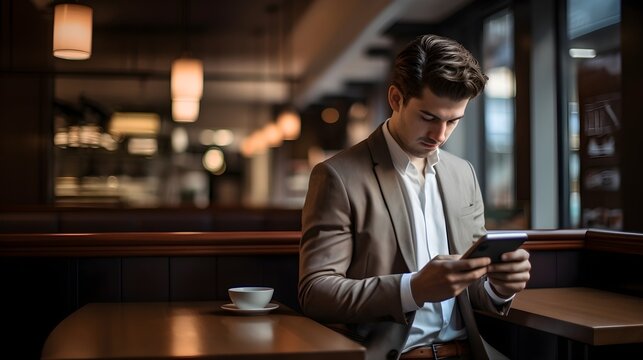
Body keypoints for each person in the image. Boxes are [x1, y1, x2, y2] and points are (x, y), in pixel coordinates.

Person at [298, 34, 531, 360]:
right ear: (396, 98)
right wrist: (412, 289)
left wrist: (499, 288)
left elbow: (472, 287)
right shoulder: (338, 176)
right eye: (429, 117)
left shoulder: (463, 174)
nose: (440, 135)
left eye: (453, 121)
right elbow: (315, 293)